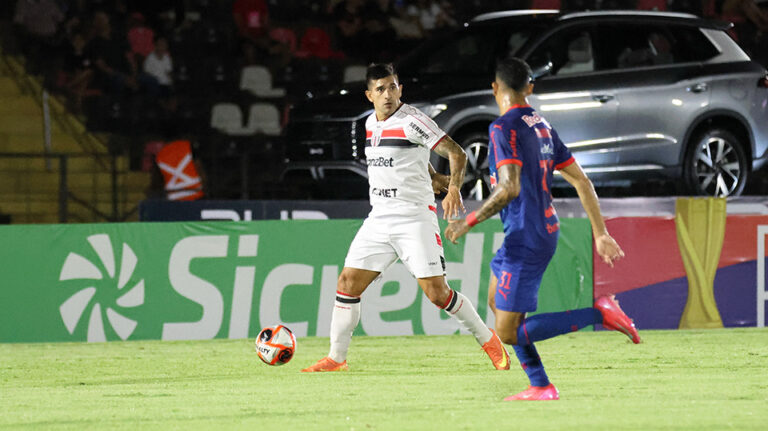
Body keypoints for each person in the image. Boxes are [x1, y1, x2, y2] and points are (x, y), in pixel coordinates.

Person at [444, 57, 641, 401]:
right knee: (496, 302)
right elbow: (582, 181)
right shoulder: (543, 127)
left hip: (528, 237)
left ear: (495, 88)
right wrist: (600, 233)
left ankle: (600, 312)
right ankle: (541, 386)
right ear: (530, 88)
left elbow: (509, 188)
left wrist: (468, 221)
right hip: (530, 232)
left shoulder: (503, 128)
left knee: (506, 331)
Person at [303, 63, 510, 372]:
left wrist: (453, 188)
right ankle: (336, 358)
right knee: (347, 283)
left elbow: (458, 153)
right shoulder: (371, 124)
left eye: (393, 87)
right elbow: (409, 158)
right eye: (381, 89)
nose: (388, 94)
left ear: (400, 88)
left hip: (414, 218)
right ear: (369, 95)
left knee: (438, 295)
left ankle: (489, 340)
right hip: (379, 218)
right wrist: (433, 176)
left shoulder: (413, 120)